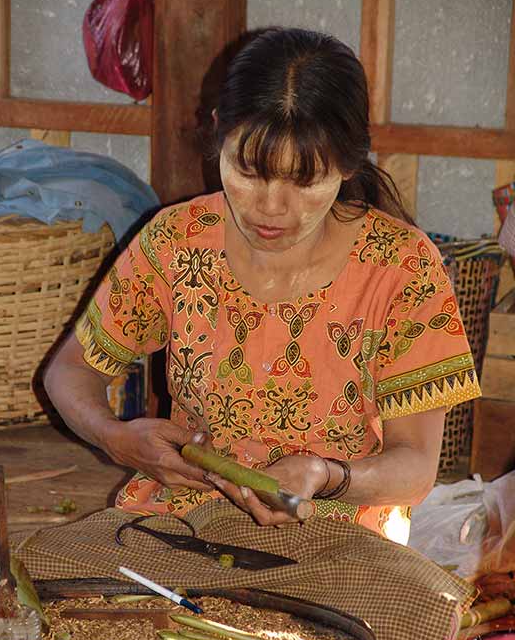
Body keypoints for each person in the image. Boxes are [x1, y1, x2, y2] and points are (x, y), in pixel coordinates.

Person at [43, 27, 480, 538]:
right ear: (218, 136)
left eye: (304, 180)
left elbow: (416, 468)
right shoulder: (178, 242)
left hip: (339, 531)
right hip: (182, 520)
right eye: (248, 171)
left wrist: (326, 476)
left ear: (347, 163)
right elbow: (70, 369)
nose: (271, 208)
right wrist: (115, 437)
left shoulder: (401, 267)